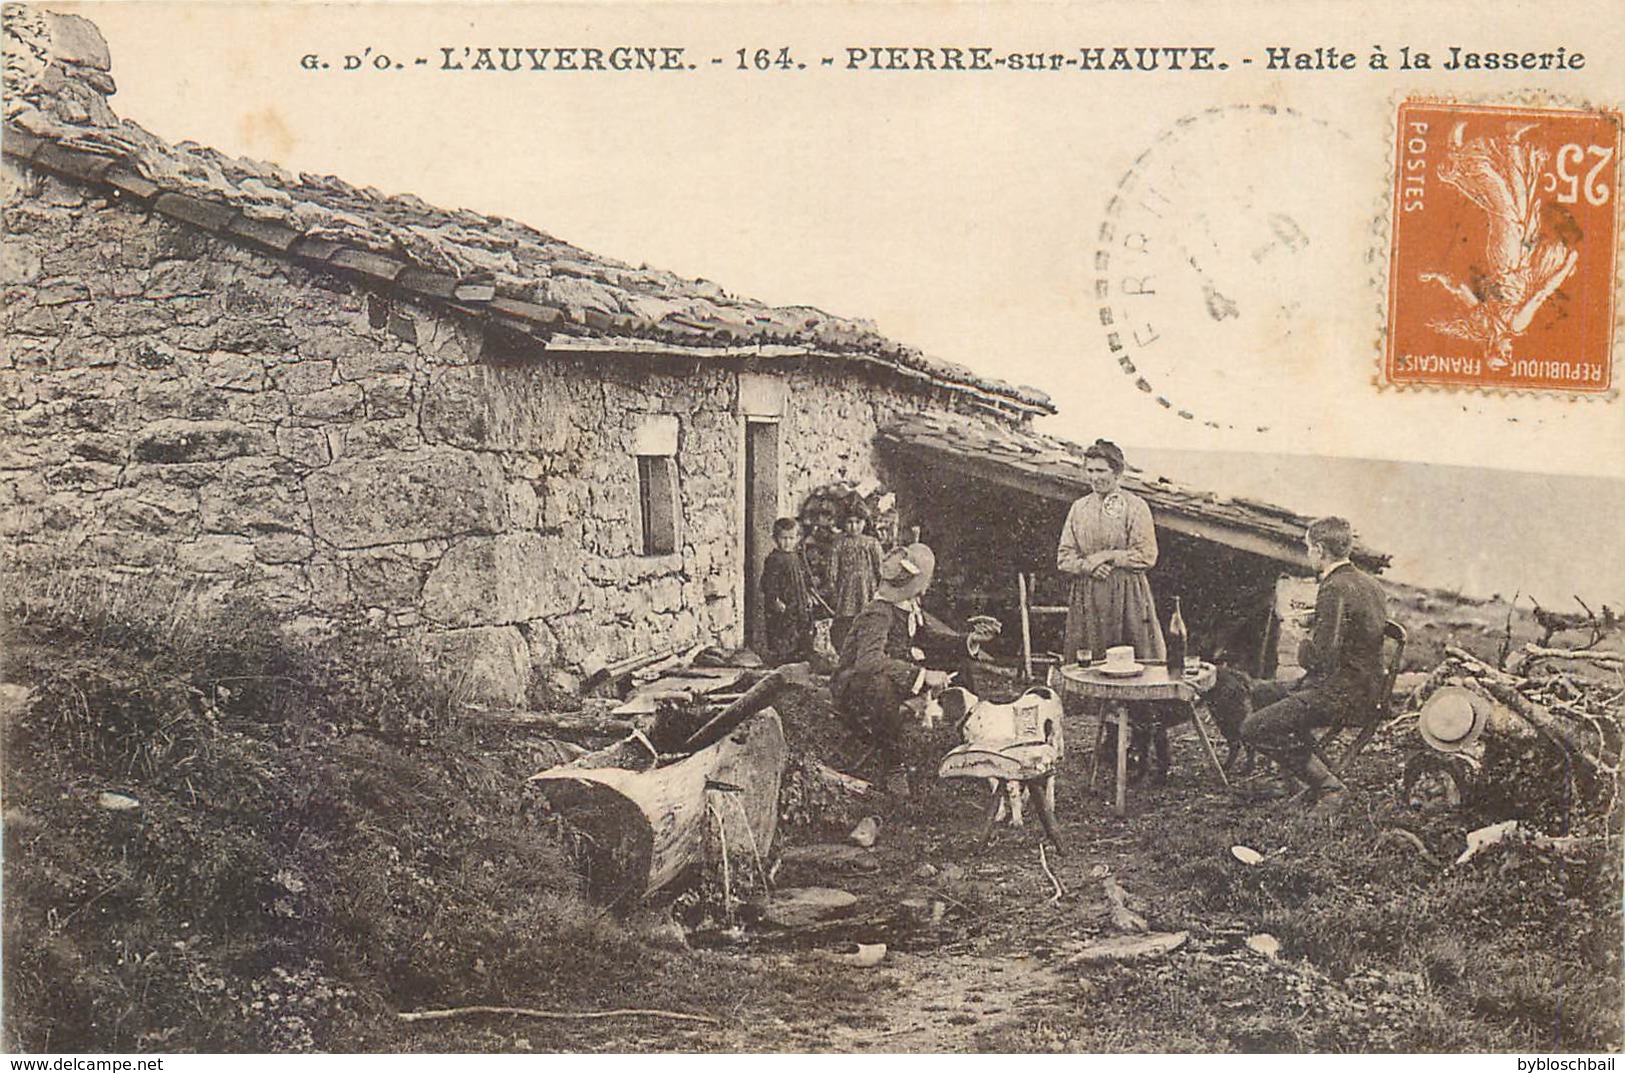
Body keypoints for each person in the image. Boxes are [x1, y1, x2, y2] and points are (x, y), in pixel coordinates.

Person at [1241, 517, 1388, 811]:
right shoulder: (1369, 583)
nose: (1309, 554)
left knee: (1253, 727)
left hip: (1344, 694)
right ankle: (1291, 779)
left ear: (1320, 550)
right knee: (1261, 693)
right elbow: (1355, 630)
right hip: (1367, 687)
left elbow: (1319, 660)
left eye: (1309, 548)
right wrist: (1318, 620)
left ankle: (1329, 787)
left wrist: (1301, 636)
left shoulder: (1333, 588)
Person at [831, 542, 1000, 796]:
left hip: (893, 671)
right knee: (881, 687)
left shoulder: (908, 607)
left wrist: (971, 640)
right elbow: (867, 663)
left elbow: (927, 639)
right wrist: (921, 675)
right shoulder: (878, 613)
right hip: (856, 685)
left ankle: (971, 740)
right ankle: (893, 765)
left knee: (960, 661)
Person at [1056, 440, 1175, 778]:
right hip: (1090, 598)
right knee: (1099, 666)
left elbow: (1146, 555)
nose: (1095, 477)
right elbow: (1064, 557)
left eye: (1102, 471)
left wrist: (1107, 557)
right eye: (1090, 471)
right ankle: (1111, 739)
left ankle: (1146, 744)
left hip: (1128, 597)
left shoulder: (1135, 507)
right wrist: (1087, 566)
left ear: (1118, 472)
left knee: (1137, 665)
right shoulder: (1079, 509)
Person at [759, 517, 817, 665]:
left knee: (800, 631)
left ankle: (798, 661)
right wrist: (774, 600)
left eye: (791, 538)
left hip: (797, 603)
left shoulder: (796, 557)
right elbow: (768, 583)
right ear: (775, 538)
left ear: (797, 538)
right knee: (782, 634)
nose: (787, 542)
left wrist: (808, 596)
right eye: (783, 538)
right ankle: (782, 662)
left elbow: (805, 578)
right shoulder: (774, 559)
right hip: (783, 606)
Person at [829, 504, 883, 651]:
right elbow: (833, 568)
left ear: (864, 522)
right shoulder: (839, 543)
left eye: (858, 522)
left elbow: (880, 568)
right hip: (846, 589)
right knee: (847, 621)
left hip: (867, 588)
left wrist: (881, 587)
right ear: (843, 523)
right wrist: (833, 585)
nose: (854, 526)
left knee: (867, 618)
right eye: (849, 522)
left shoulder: (871, 543)